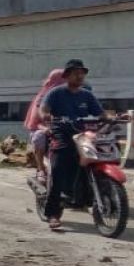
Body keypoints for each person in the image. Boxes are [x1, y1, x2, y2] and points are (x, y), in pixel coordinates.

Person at [41, 59, 104, 230]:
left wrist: (112, 117)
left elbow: (100, 113)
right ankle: (53, 214)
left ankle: (90, 199)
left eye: (82, 73)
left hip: (82, 135)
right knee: (59, 170)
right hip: (61, 133)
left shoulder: (87, 95)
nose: (80, 76)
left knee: (92, 163)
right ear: (67, 75)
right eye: (76, 73)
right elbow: (44, 109)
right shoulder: (56, 93)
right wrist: (46, 116)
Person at [23, 69, 65, 183]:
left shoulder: (74, 94)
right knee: (39, 137)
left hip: (67, 129)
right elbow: (36, 121)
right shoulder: (44, 97)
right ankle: (41, 169)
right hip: (44, 129)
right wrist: (45, 128)